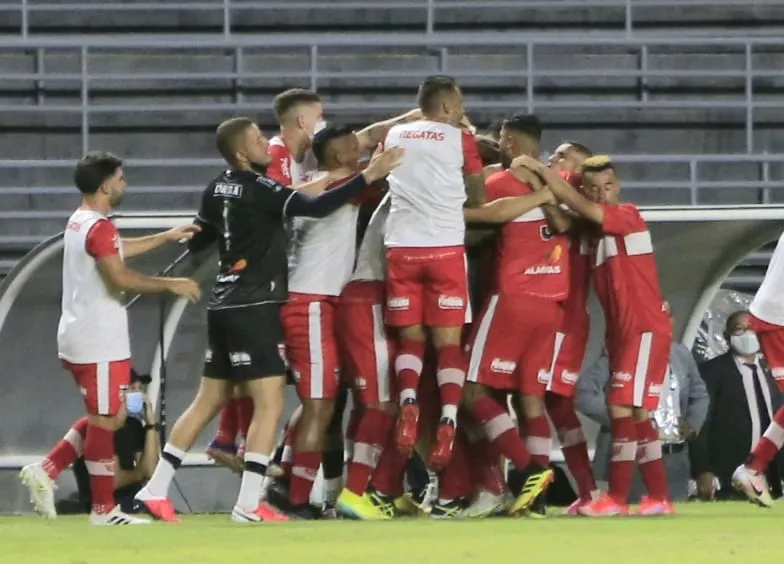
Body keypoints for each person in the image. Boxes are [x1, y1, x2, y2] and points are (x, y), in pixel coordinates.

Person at [132, 117, 403, 524]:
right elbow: (314, 205)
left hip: (223, 302)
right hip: (255, 303)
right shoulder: (259, 187)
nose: (266, 145)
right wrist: (370, 174)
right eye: (258, 140)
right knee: (271, 403)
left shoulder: (216, 188)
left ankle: (155, 490)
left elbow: (201, 239)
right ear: (242, 153)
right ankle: (248, 503)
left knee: (207, 401)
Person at [17, 152, 201, 526]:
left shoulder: (83, 221)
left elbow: (115, 248)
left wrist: (164, 238)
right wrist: (171, 284)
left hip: (90, 335)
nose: (124, 183)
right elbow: (119, 276)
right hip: (96, 338)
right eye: (120, 178)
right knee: (104, 420)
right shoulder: (97, 227)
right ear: (105, 185)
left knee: (112, 417)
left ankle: (48, 469)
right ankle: (103, 510)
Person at [515, 154, 674, 516]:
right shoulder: (592, 230)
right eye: (595, 189)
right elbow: (564, 218)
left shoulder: (627, 215)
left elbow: (578, 205)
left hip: (642, 326)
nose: (603, 194)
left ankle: (615, 499)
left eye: (608, 187)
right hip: (622, 331)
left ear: (618, 187)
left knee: (620, 406)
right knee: (638, 413)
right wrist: (542, 189)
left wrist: (540, 169)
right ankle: (659, 497)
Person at [275, 125, 387, 518]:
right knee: (320, 406)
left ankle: (288, 480)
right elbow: (378, 173)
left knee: (323, 403)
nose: (361, 151)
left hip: (318, 302)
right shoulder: (342, 186)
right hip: (310, 304)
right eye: (354, 147)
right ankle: (295, 498)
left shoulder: (311, 182)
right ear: (340, 156)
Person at [383, 75, 485, 471]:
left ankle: (408, 401)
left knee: (411, 339)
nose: (462, 110)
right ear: (445, 107)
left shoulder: (395, 134)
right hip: (444, 249)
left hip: (401, 248)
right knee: (447, 345)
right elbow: (478, 195)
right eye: (459, 104)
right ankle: (448, 419)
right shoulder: (461, 139)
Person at [576, 304, 709, 503]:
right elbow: (583, 393)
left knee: (672, 516)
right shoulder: (619, 352)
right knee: (629, 515)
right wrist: (623, 421)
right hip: (632, 457)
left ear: (672, 322)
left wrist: (692, 424)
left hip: (673, 457)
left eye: (665, 318)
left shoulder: (681, 354)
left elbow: (700, 394)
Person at [22, 369, 162, 517]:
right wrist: (139, 473)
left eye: (140, 389)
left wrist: (151, 425)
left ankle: (48, 468)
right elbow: (114, 481)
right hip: (110, 502)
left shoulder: (134, 426)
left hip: (133, 498)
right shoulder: (99, 430)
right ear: (118, 393)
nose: (139, 395)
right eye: (132, 388)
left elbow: (151, 471)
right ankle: (48, 468)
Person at [693, 311, 784, 504]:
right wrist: (703, 469)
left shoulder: (773, 370)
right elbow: (702, 423)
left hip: (772, 471)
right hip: (729, 470)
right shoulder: (712, 371)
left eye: (751, 329)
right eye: (739, 330)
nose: (747, 335)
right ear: (727, 336)